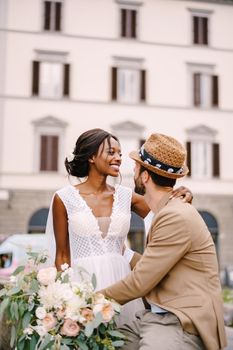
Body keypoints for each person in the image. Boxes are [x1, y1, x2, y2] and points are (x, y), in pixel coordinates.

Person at [45, 128, 193, 325]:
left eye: (120, 154)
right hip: (82, 285)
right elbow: (62, 256)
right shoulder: (63, 198)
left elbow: (167, 211)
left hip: (122, 283)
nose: (118, 158)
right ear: (91, 157)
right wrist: (64, 300)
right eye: (111, 152)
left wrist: (182, 195)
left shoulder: (126, 196)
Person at [101, 133, 227, 350]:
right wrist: (124, 253)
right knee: (105, 342)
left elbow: (140, 282)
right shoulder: (169, 210)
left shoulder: (175, 216)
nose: (132, 170)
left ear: (146, 176)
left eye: (137, 166)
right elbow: (155, 267)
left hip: (181, 320)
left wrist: (85, 301)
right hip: (157, 314)